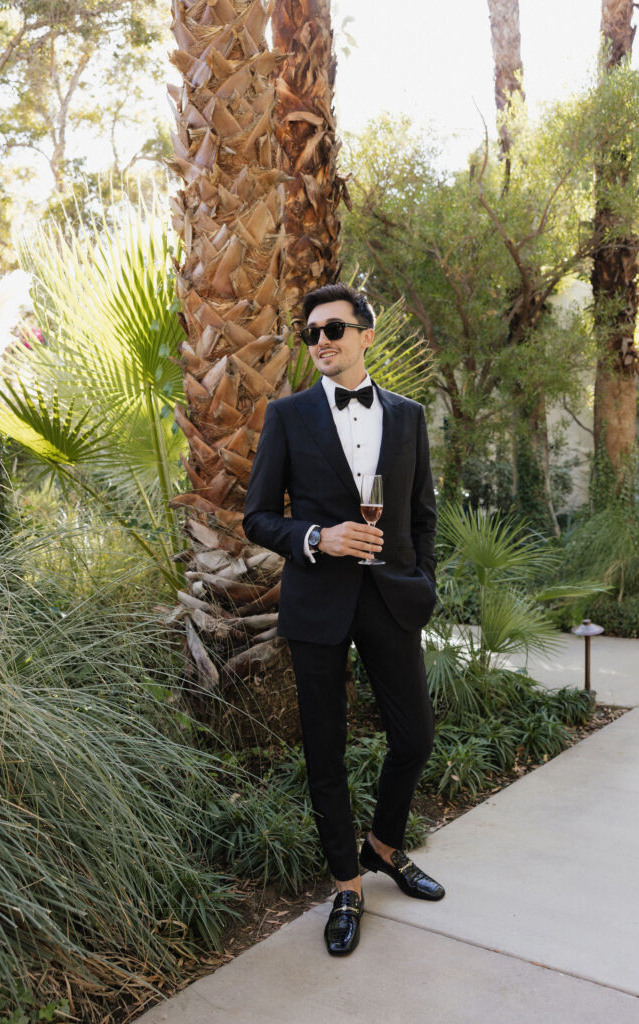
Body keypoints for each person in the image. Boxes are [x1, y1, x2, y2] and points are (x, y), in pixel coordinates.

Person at [243, 283, 445, 957]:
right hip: (318, 602)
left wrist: (423, 582)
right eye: (311, 334)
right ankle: (347, 883)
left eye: (333, 329)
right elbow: (258, 516)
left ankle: (384, 845)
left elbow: (421, 513)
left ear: (364, 333)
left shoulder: (409, 415)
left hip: (392, 597)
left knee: (413, 737)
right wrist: (316, 539)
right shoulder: (287, 415)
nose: (321, 342)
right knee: (324, 751)